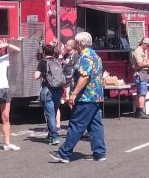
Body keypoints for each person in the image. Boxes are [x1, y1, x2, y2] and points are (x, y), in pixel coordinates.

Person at [51, 31, 106, 162]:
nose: (75, 44)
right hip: (96, 96)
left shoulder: (85, 57)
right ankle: (99, 152)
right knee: (95, 125)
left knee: (76, 124)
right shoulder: (95, 56)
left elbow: (84, 77)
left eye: (76, 42)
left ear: (79, 43)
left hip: (86, 97)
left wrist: (74, 93)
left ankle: (64, 152)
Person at [34, 43, 63, 145]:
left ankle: (54, 137)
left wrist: (42, 73)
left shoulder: (42, 62)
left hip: (47, 90)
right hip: (58, 90)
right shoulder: (58, 61)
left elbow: (36, 76)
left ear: (44, 52)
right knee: (53, 113)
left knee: (50, 115)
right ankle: (50, 135)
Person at [131, 37, 149, 119]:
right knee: (142, 93)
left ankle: (138, 111)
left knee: (139, 93)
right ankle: (140, 112)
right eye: (147, 45)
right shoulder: (138, 51)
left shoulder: (142, 51)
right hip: (141, 73)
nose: (148, 47)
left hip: (142, 73)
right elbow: (140, 64)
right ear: (144, 43)